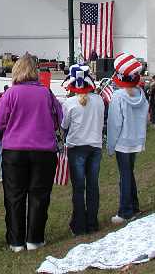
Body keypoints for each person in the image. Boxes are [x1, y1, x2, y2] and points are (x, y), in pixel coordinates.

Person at [0, 54, 61, 252]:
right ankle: (35, 239)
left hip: (14, 150)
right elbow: (59, 118)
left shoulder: (10, 94)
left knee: (14, 196)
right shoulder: (46, 93)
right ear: (36, 72)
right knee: (39, 195)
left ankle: (16, 242)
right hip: (43, 150)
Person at [61, 64, 104, 236]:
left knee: (79, 188)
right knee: (93, 185)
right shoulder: (99, 100)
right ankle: (92, 222)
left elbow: (64, 125)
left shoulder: (69, 103)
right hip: (95, 145)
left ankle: (79, 225)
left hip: (77, 146)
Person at [107, 53, 148, 225]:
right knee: (129, 173)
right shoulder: (141, 94)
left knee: (124, 175)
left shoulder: (118, 97)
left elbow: (115, 123)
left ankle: (125, 211)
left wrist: (110, 145)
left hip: (122, 141)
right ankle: (134, 206)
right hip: (136, 139)